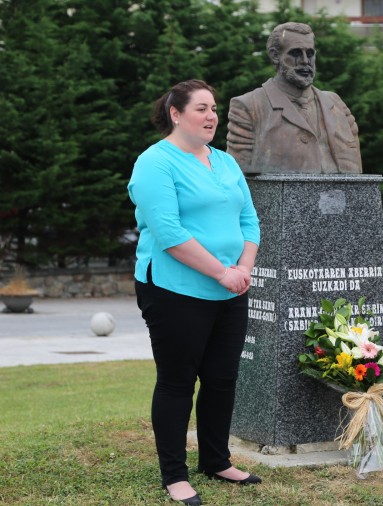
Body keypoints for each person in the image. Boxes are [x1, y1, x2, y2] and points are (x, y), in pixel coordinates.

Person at [128, 79, 262, 506]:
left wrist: (242, 269)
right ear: (175, 113)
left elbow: (250, 221)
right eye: (201, 108)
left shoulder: (224, 162)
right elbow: (168, 232)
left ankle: (216, 460)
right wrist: (222, 273)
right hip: (174, 289)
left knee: (222, 380)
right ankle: (174, 475)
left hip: (231, 288)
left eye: (214, 109)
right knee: (177, 382)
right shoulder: (155, 163)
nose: (211, 116)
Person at [227, 22, 363, 175]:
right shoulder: (249, 106)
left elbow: (356, 170)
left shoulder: (336, 104)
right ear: (275, 55)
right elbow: (239, 178)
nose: (305, 61)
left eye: (310, 53)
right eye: (296, 53)